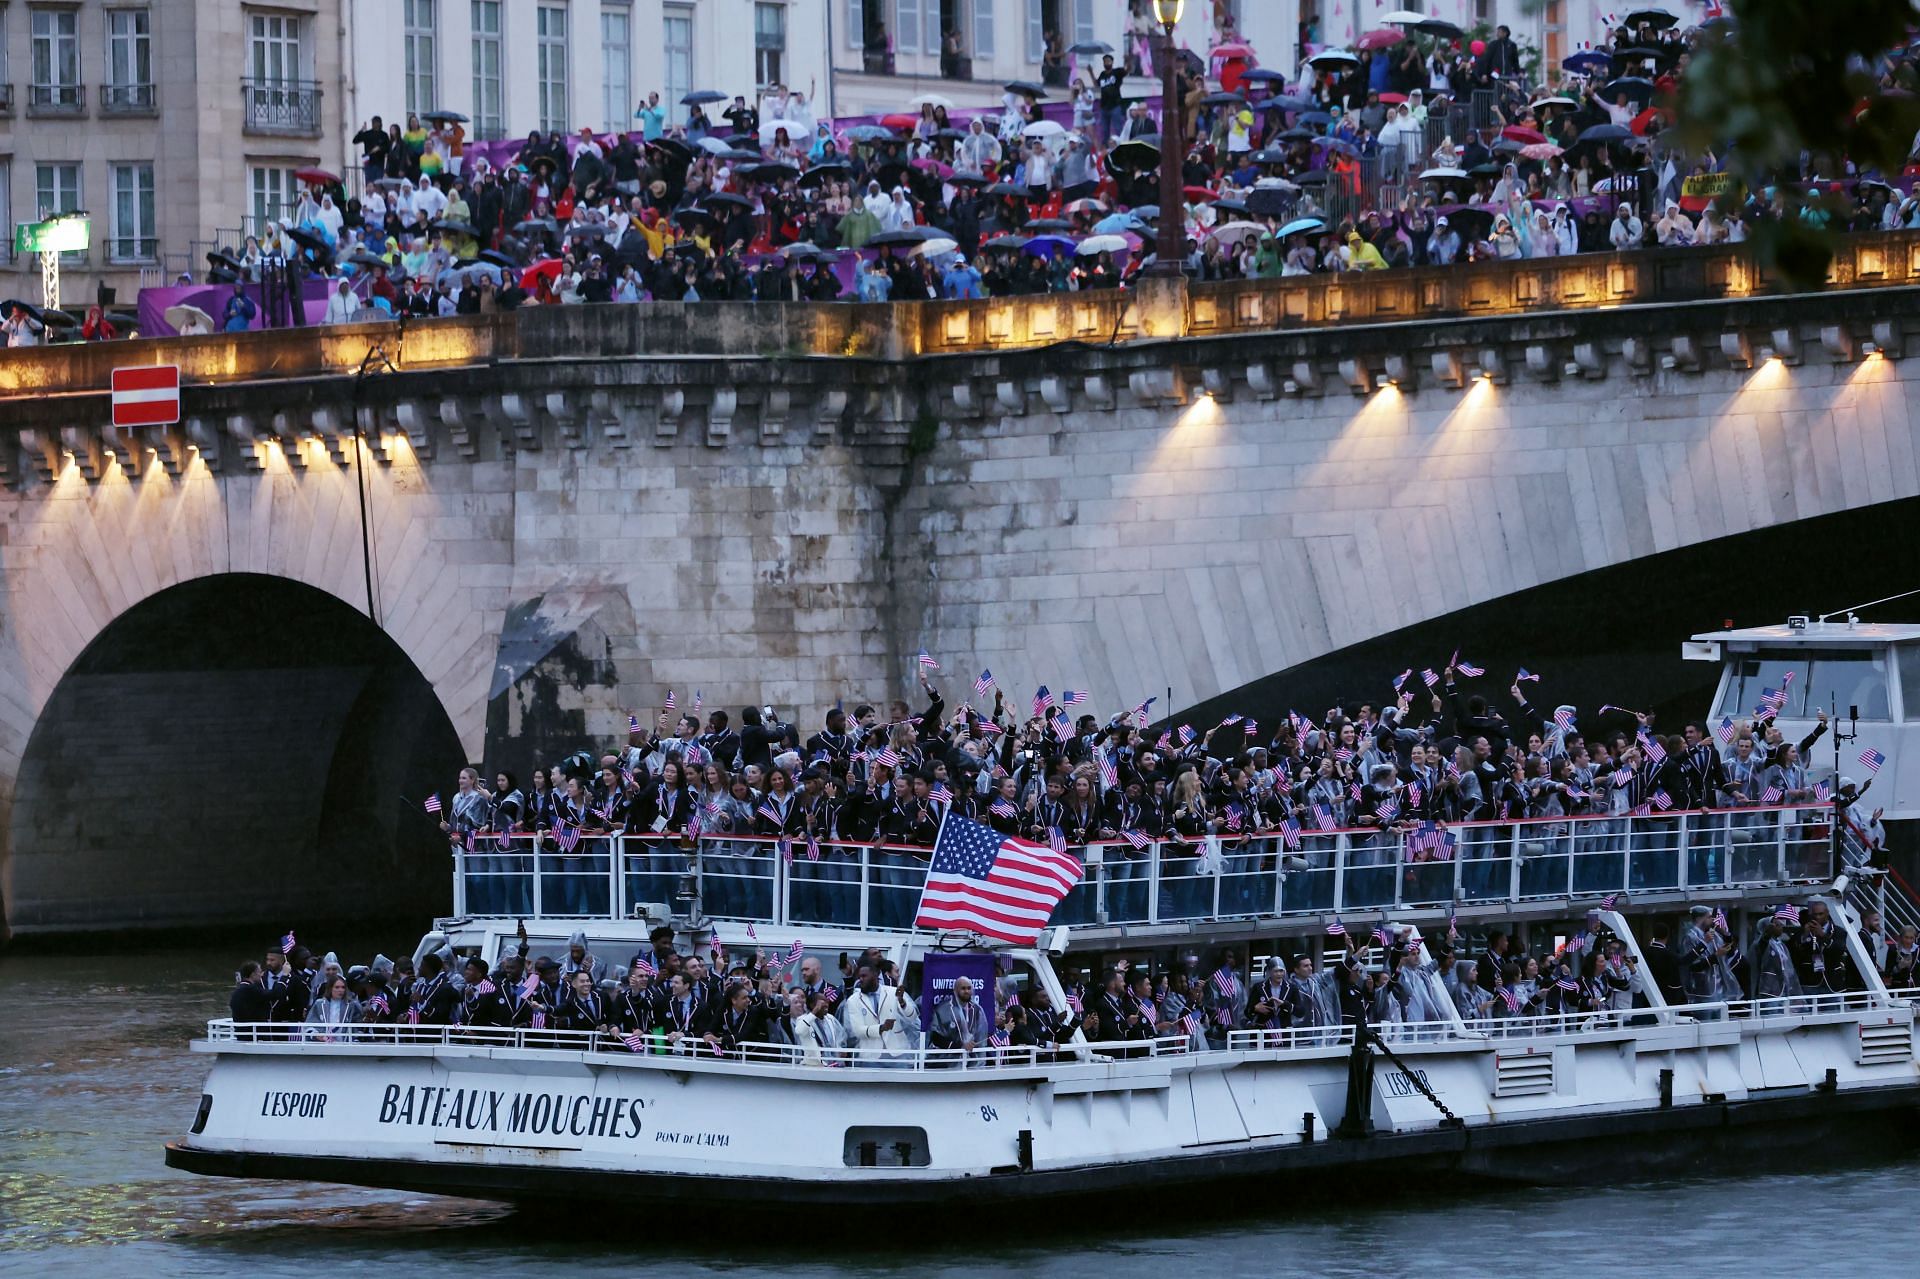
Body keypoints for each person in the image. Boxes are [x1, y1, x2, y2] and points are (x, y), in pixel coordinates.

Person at [843, 964, 919, 1062]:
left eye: (864, 976)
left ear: (875, 975)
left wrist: (902, 1001)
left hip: (898, 1054)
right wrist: (881, 1028)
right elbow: (857, 1031)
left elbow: (912, 1018)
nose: (860, 979)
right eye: (859, 976)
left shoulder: (894, 992)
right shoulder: (853, 1000)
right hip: (870, 1057)